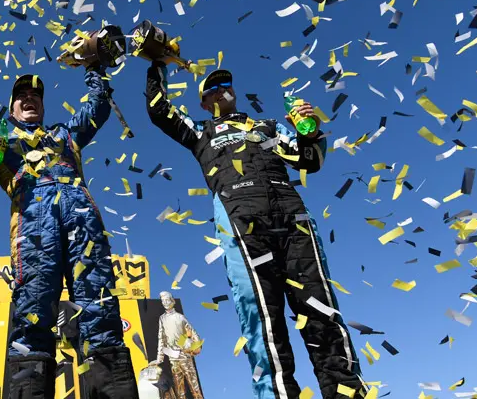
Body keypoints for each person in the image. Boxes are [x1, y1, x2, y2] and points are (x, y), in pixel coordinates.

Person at [144, 61, 366, 399]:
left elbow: (310, 161)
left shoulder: (267, 126)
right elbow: (160, 111)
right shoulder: (200, 131)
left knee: (322, 314)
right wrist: (156, 62)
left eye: (225, 83)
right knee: (264, 325)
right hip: (241, 223)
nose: (221, 90)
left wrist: (311, 132)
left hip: (294, 220)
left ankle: (348, 393)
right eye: (212, 89)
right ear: (204, 103)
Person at [0, 59, 138, 398]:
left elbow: (98, 108)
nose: (30, 99)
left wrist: (95, 66)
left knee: (101, 310)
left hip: (83, 223)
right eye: (22, 95)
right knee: (33, 320)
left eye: (36, 96)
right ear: (12, 106)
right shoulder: (1, 142)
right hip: (34, 229)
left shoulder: (65, 135)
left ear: (42, 105)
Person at [150, 291, 204, 399]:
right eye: (163, 301)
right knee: (180, 391)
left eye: (167, 300)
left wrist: (196, 348)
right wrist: (159, 359)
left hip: (185, 357)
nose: (165, 302)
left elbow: (193, 333)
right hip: (173, 359)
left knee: (194, 387)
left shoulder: (180, 317)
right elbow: (161, 339)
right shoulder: (162, 318)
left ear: (172, 301)